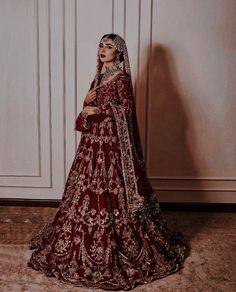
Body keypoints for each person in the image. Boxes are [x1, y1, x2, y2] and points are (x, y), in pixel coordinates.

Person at [27, 33, 189, 290]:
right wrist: (86, 102)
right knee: (84, 187)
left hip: (112, 145)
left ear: (120, 53)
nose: (103, 49)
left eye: (109, 46)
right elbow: (91, 108)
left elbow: (124, 110)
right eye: (101, 45)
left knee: (112, 188)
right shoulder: (100, 76)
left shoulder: (121, 78)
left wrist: (97, 109)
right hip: (92, 143)